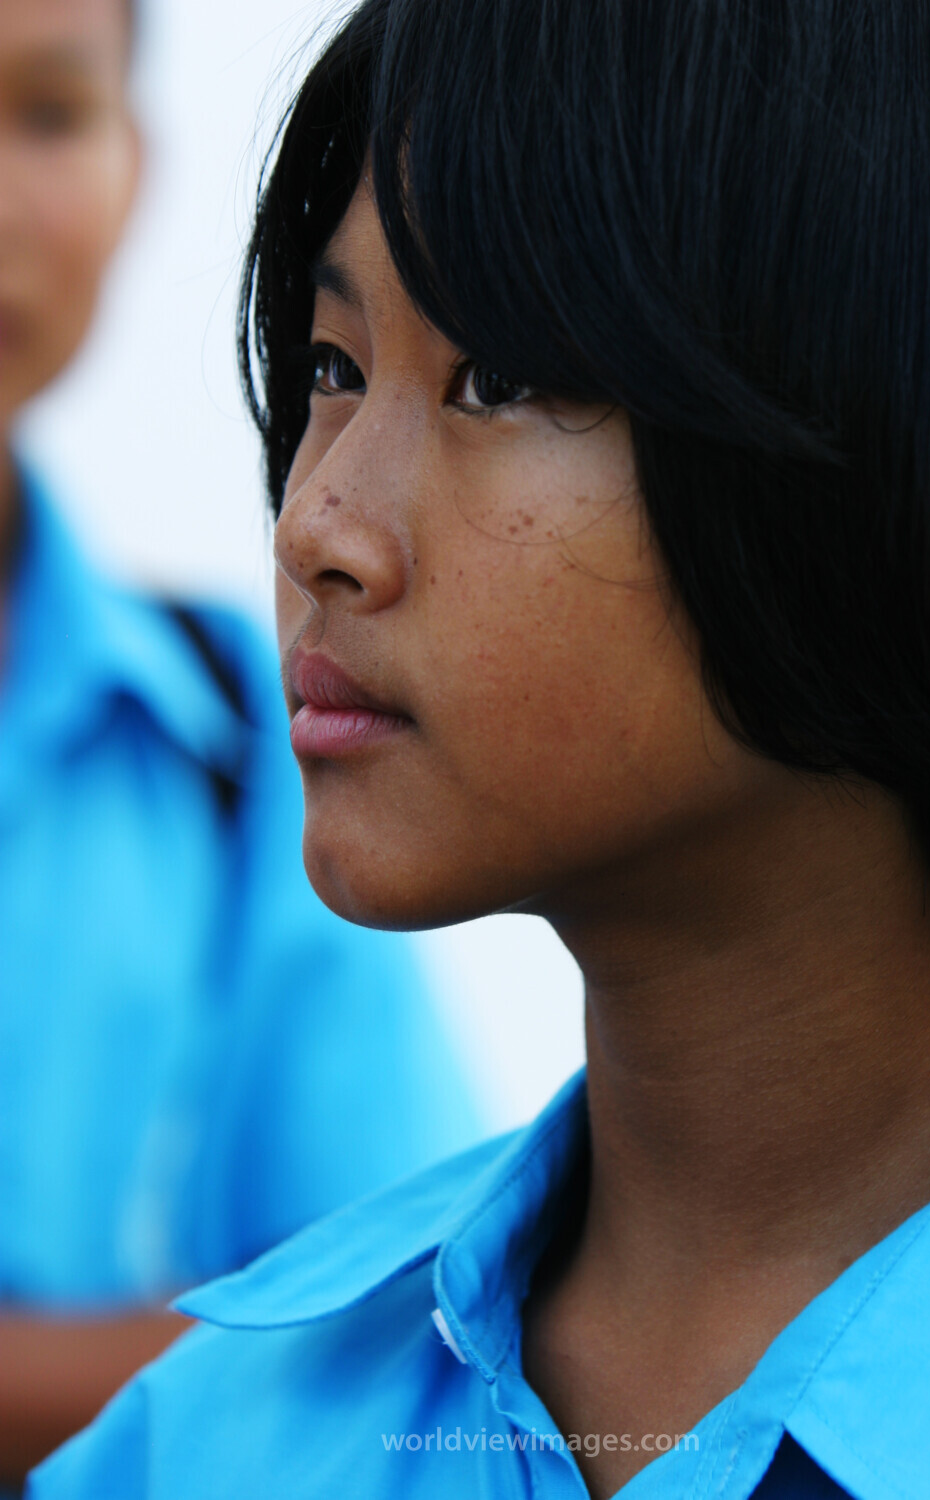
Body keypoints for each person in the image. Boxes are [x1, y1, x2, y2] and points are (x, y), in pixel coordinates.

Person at [27, 0, 930, 1496]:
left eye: (498, 379)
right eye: (333, 369)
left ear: (888, 406)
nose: (315, 527)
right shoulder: (206, 1445)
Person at [0, 0, 482, 1489]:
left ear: (141, 166)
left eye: (50, 113)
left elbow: (413, 1335)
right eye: (333, 373)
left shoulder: (239, 747)